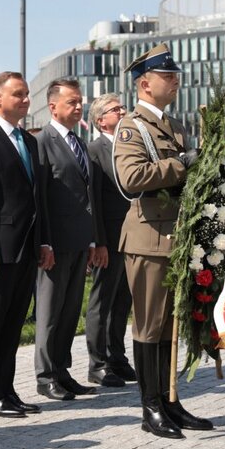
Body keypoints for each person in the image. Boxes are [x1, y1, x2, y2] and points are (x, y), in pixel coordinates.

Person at [113, 43, 212, 439]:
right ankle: (149, 408)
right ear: (144, 84)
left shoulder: (175, 126)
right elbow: (131, 179)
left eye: (175, 77)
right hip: (149, 238)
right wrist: (182, 163)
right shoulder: (131, 127)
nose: (175, 83)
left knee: (172, 325)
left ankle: (170, 400)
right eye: (167, 77)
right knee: (150, 326)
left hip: (177, 237)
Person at [0, 71, 54, 418]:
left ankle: (8, 389)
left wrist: (44, 241)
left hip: (26, 247)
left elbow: (37, 198)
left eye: (28, 94)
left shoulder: (28, 142)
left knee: (14, 322)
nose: (26, 100)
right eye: (19, 94)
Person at [33, 78, 98, 401]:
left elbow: (86, 194)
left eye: (80, 102)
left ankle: (61, 369)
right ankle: (45, 376)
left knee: (71, 310)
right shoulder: (42, 142)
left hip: (78, 240)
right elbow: (41, 197)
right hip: (55, 244)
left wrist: (91, 240)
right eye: (72, 102)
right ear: (53, 105)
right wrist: (44, 242)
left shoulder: (79, 143)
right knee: (50, 312)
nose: (78, 107)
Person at [84, 93, 135, 388]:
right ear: (101, 119)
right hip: (109, 237)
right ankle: (98, 363)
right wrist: (98, 241)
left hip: (132, 236)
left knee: (122, 300)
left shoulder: (129, 147)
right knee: (102, 300)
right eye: (117, 109)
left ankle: (118, 357)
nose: (123, 111)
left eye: (122, 107)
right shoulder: (94, 150)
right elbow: (95, 202)